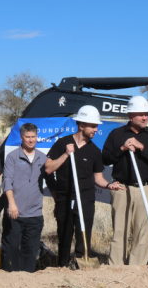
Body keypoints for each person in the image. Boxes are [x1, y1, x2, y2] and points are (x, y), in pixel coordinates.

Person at [45, 106, 123, 268]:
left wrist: (109, 185)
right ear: (81, 126)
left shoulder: (94, 151)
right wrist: (66, 154)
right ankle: (62, 267)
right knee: (64, 234)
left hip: (86, 198)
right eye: (93, 126)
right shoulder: (63, 143)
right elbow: (48, 168)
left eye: (96, 126)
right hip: (65, 197)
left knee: (83, 233)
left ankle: (81, 265)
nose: (96, 129)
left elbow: (98, 178)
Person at [102, 95, 148, 266]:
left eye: (147, 114)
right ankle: (116, 267)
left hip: (146, 188)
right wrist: (122, 149)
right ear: (130, 116)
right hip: (122, 188)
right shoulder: (116, 134)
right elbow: (105, 158)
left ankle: (136, 269)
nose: (145, 117)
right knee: (119, 230)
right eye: (141, 114)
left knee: (142, 232)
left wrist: (141, 148)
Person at [2, 123, 49, 273]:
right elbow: (7, 181)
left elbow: (51, 181)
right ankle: (11, 276)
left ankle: (27, 278)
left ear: (37, 137)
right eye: (27, 137)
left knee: (30, 249)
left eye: (33, 137)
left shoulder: (43, 158)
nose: (30, 140)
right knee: (12, 247)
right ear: (21, 137)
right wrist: (12, 204)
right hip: (15, 213)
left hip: (34, 214)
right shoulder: (12, 157)